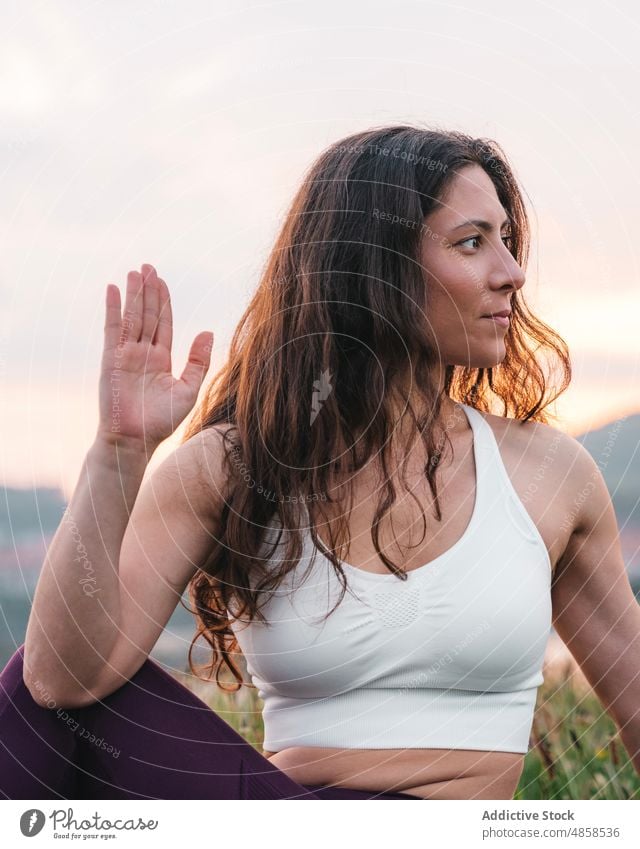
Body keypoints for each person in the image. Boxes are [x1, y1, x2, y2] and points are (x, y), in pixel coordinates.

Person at [1, 125, 638, 801]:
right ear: (376, 265)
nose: (511, 270)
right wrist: (118, 452)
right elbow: (60, 683)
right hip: (287, 820)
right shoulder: (230, 467)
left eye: (506, 239)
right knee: (29, 680)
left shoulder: (551, 476)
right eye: (472, 242)